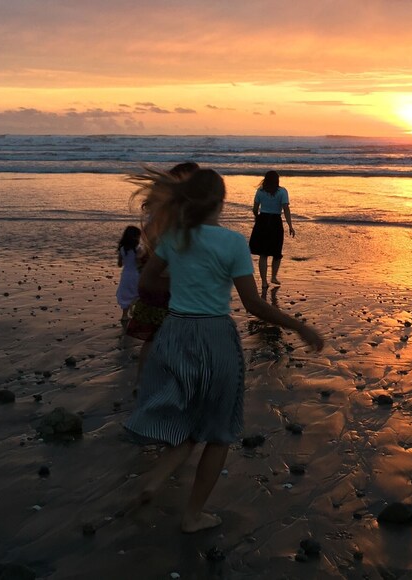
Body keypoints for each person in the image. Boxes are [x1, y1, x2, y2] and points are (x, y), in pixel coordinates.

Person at [123, 167, 324, 533]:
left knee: (187, 417)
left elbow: (149, 280)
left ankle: (155, 479)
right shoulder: (232, 243)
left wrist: (184, 277)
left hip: (175, 333)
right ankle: (192, 515)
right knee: (217, 430)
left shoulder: (174, 238)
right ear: (220, 202)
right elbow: (253, 305)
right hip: (214, 337)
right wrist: (299, 325)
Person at [125, 162, 199, 374]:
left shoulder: (161, 211)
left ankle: (144, 383)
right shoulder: (173, 215)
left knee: (156, 337)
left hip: (158, 282)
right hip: (168, 285)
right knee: (172, 337)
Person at [248, 170, 294, 290]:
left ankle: (264, 282)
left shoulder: (260, 191)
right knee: (276, 252)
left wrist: (257, 218)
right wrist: (290, 225)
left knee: (263, 254)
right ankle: (273, 277)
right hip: (275, 221)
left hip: (262, 220)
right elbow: (286, 209)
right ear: (277, 180)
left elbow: (255, 208)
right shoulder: (282, 191)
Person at [116, 225, 142, 322]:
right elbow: (139, 263)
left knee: (126, 294)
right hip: (136, 274)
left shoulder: (122, 249)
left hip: (125, 274)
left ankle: (124, 315)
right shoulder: (138, 248)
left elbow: (119, 264)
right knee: (137, 293)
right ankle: (134, 311)